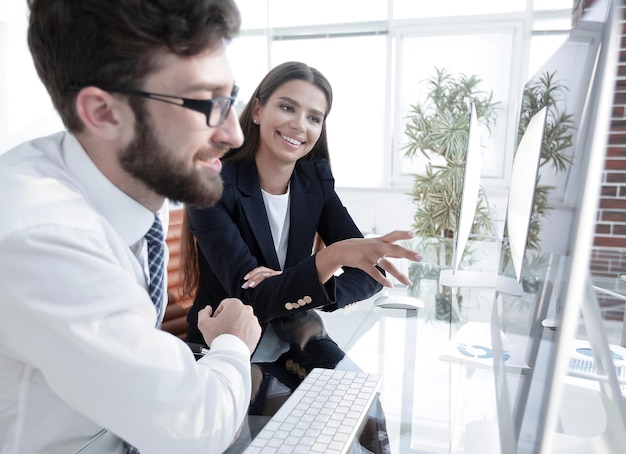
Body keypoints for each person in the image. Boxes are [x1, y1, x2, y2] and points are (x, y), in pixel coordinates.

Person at [0, 1, 262, 453]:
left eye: (231, 98)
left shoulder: (127, 191)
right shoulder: (44, 236)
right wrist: (232, 345)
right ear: (103, 113)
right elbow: (194, 431)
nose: (234, 135)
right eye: (208, 103)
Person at [182, 61, 422, 383]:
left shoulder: (314, 182)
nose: (299, 125)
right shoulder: (211, 185)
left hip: (296, 336)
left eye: (313, 117)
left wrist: (313, 286)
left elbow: (369, 271)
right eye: (287, 108)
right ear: (257, 111)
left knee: (368, 411)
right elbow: (255, 299)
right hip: (225, 343)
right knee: (289, 425)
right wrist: (327, 261)